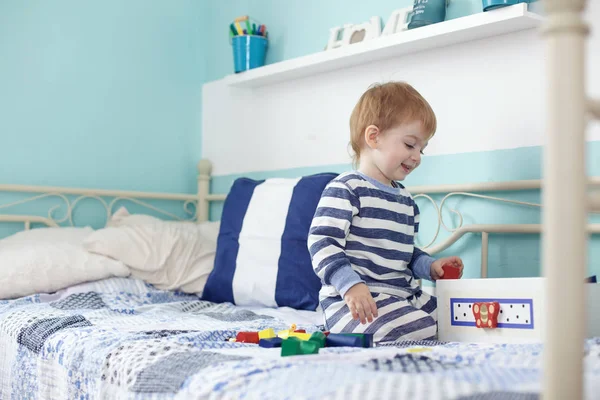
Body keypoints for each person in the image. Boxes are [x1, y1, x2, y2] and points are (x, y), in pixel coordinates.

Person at [308, 81, 464, 343]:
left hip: (402, 295)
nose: (417, 157)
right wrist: (350, 284)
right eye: (410, 144)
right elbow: (323, 243)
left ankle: (419, 324)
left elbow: (405, 254)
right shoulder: (347, 188)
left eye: (421, 148)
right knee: (416, 326)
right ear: (373, 137)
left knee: (456, 318)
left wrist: (430, 267)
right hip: (354, 302)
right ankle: (359, 329)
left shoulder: (405, 200)